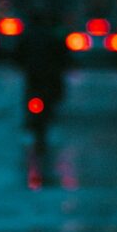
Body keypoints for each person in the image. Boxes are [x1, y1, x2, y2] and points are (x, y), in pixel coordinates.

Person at [15, 8, 69, 151]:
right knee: (50, 98)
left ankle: (31, 119)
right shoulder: (52, 36)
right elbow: (63, 55)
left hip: (33, 75)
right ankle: (45, 116)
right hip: (48, 76)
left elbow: (18, 54)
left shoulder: (27, 36)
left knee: (31, 97)